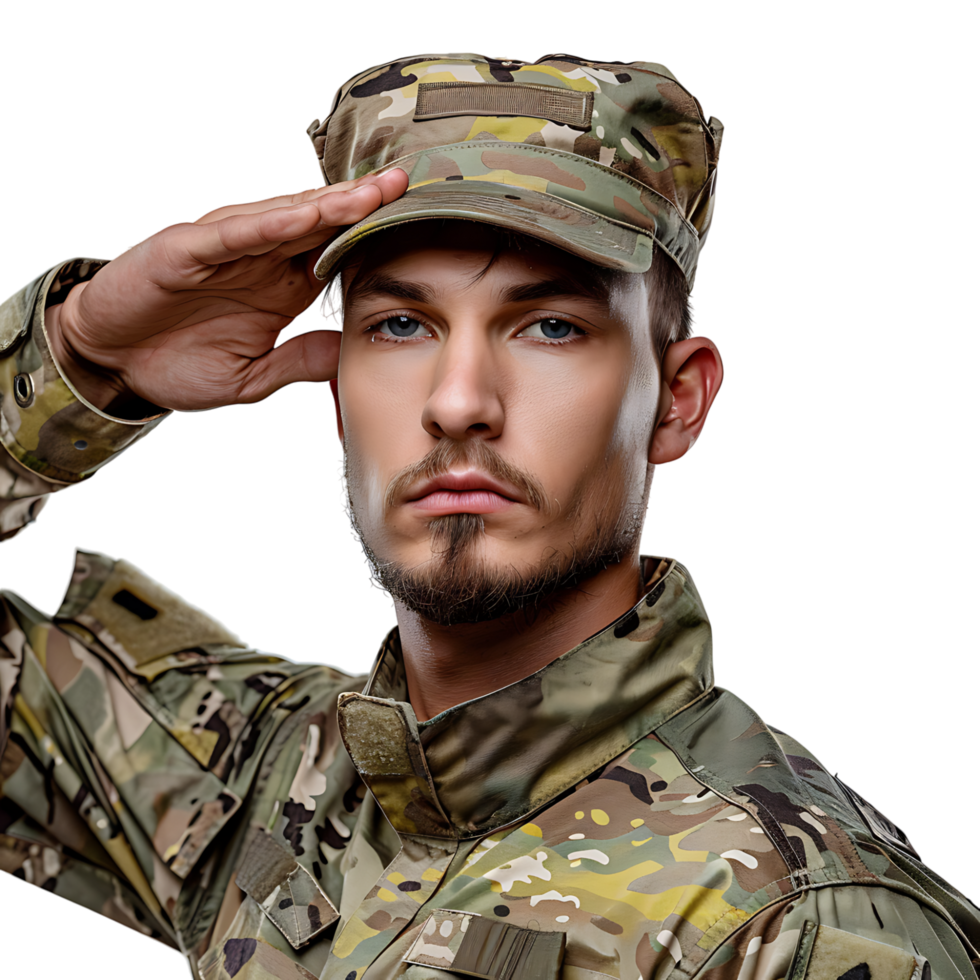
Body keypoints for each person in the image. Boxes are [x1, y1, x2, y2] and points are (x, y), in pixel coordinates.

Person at [0, 52, 976, 980]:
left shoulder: (793, 921)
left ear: (676, 400)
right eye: (400, 325)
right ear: (339, 397)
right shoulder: (266, 767)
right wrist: (82, 353)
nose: (458, 399)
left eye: (550, 324)